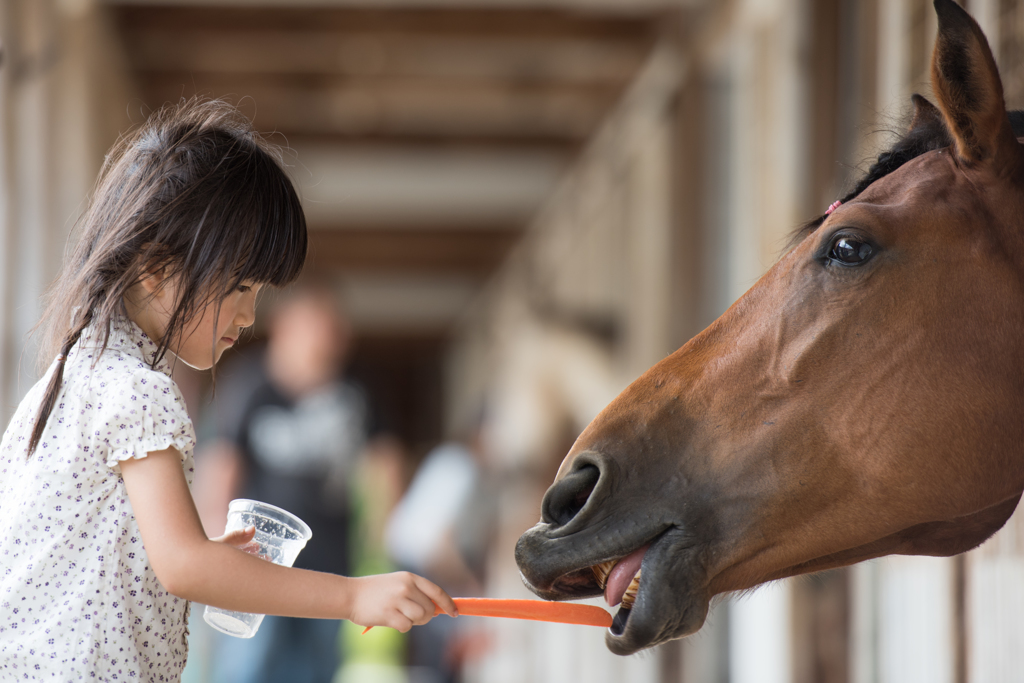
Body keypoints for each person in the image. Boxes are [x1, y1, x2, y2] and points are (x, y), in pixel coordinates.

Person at [0, 98, 456, 682]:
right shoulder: (137, 391)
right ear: (157, 269)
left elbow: (131, 551)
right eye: (241, 286)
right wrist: (353, 597)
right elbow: (184, 567)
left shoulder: (70, 375)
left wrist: (215, 551)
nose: (248, 317)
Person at [197, 286, 378, 683]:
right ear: (286, 327)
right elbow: (221, 464)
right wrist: (216, 554)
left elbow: (383, 465)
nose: (330, 338)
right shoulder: (249, 384)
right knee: (250, 666)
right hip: (260, 560)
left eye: (335, 328)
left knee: (317, 669)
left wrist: (377, 542)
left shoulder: (355, 390)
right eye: (318, 326)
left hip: (332, 562)